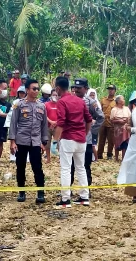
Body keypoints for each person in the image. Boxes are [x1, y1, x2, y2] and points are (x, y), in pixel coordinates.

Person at [55, 77, 92, 208]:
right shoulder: (80, 101)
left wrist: (55, 140)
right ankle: (84, 197)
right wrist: (85, 133)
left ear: (58, 88)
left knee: (66, 169)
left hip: (68, 138)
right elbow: (89, 120)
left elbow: (61, 122)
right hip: (81, 139)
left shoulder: (62, 102)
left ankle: (65, 199)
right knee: (81, 168)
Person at [9, 78, 48, 203]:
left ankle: (40, 193)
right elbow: (13, 123)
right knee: (20, 167)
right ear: (27, 90)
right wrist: (12, 141)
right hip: (21, 141)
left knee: (37, 167)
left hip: (36, 142)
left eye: (37, 89)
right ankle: (21, 192)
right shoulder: (19, 105)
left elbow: (44, 125)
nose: (36, 91)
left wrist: (44, 142)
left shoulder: (42, 106)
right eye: (34, 88)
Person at [73, 81, 103, 187]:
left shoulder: (90, 102)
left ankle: (87, 189)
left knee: (86, 165)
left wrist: (92, 130)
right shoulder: (71, 100)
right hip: (72, 138)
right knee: (70, 166)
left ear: (85, 88)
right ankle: (68, 189)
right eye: (75, 87)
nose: (76, 90)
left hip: (86, 139)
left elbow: (100, 116)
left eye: (79, 88)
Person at [98, 84, 116, 160]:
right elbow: (100, 110)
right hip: (103, 122)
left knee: (111, 140)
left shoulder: (116, 101)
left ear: (115, 91)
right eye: (109, 89)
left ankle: (109, 155)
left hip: (111, 123)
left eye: (112, 89)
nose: (110, 90)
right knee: (101, 139)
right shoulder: (103, 100)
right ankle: (99, 155)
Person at [110, 95, 131, 162]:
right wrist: (119, 121)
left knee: (125, 142)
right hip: (117, 129)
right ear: (118, 101)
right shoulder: (114, 109)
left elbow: (130, 118)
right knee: (117, 142)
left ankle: (123, 158)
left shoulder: (126, 108)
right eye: (123, 99)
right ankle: (116, 158)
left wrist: (126, 121)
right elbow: (112, 120)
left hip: (125, 128)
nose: (124, 101)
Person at [0, 89, 11, 164]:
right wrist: (5, 115)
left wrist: (3, 115)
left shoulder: (8, 104)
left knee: (0, 142)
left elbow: (10, 114)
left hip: (4, 126)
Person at [44, 90, 59, 163]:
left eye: (56, 95)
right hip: (48, 126)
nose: (55, 96)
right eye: (54, 95)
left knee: (59, 143)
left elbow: (62, 115)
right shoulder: (46, 104)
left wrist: (55, 123)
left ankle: (60, 158)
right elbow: (44, 115)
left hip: (57, 127)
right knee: (47, 143)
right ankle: (48, 158)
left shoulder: (60, 104)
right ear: (50, 96)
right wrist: (51, 122)